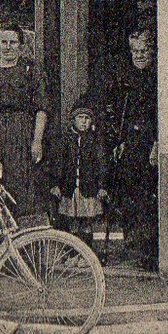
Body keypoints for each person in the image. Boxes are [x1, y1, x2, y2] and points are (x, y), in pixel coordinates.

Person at [0, 25, 48, 223]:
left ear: (21, 46)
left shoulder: (30, 72)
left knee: (17, 188)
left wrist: (37, 141)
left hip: (19, 136)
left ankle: (19, 242)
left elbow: (41, 110)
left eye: (13, 43)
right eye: (4, 42)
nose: (8, 47)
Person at [100, 27, 158, 270]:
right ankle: (134, 240)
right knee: (128, 192)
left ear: (152, 51)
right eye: (135, 50)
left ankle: (150, 249)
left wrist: (157, 143)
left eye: (144, 50)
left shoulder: (157, 77)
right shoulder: (127, 78)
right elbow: (122, 113)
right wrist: (120, 141)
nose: (140, 55)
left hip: (151, 142)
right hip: (132, 142)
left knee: (148, 196)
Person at [49, 99, 107, 251]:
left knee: (86, 222)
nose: (83, 122)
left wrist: (101, 186)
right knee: (71, 222)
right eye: (80, 118)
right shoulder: (65, 140)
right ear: (73, 120)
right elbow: (58, 163)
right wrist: (56, 184)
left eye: (87, 118)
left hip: (88, 188)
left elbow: (101, 164)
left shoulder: (94, 141)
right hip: (69, 188)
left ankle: (86, 253)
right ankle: (72, 253)